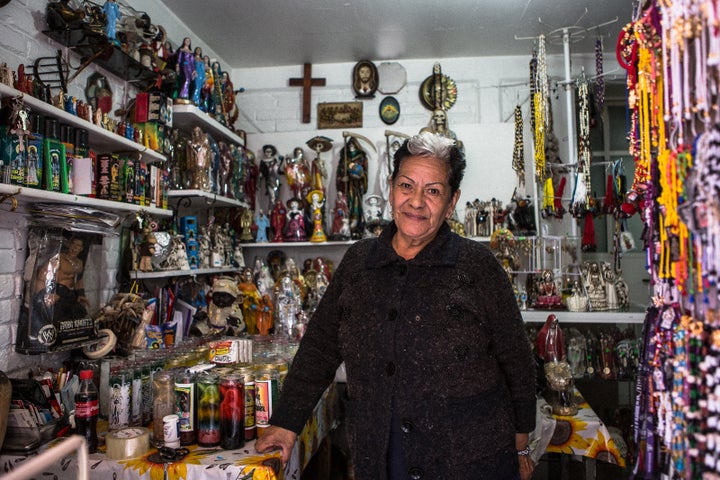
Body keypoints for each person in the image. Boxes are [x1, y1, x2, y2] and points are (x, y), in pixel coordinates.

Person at [256, 132, 537, 480]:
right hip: (381, 457)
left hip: (468, 459)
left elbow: (517, 360)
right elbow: (319, 349)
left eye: (433, 191)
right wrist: (286, 423)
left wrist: (521, 444)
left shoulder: (477, 266)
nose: (416, 201)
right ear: (391, 190)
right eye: (407, 185)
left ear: (452, 203)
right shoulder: (359, 263)